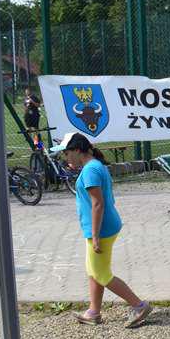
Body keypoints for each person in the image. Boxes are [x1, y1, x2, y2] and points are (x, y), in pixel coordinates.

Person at [58, 132, 151, 328]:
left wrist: (95, 236)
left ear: (77, 150)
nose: (65, 158)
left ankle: (139, 306)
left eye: (66, 153)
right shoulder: (94, 166)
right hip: (103, 227)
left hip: (101, 230)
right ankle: (93, 312)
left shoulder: (90, 170)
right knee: (94, 270)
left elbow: (97, 204)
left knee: (101, 273)